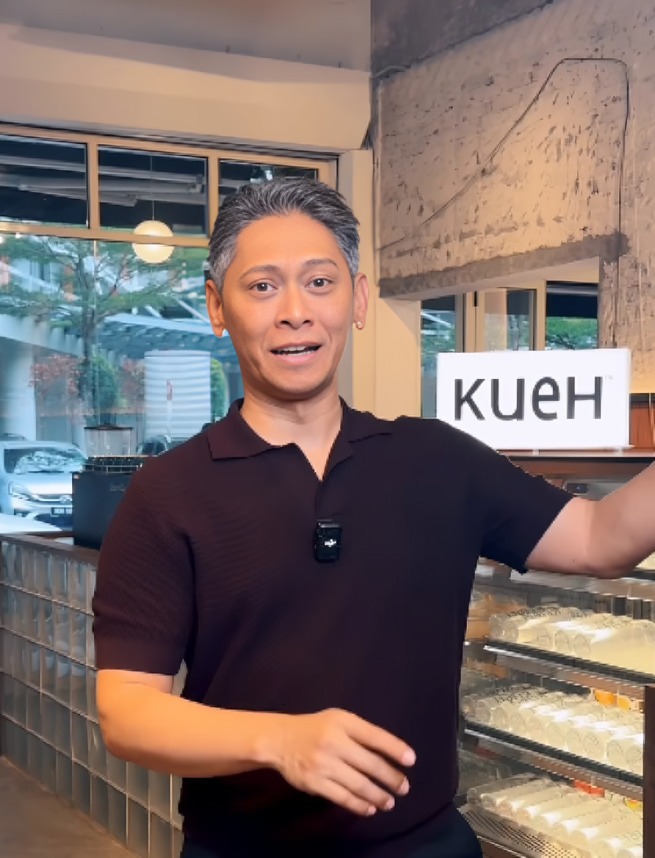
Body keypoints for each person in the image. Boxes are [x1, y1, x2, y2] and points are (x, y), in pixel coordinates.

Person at [93, 178, 655, 858]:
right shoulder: (168, 492)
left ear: (357, 300)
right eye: (263, 286)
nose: (295, 312)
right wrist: (278, 740)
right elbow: (128, 711)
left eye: (319, 283)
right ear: (218, 306)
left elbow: (599, 538)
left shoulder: (440, 460)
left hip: (427, 844)